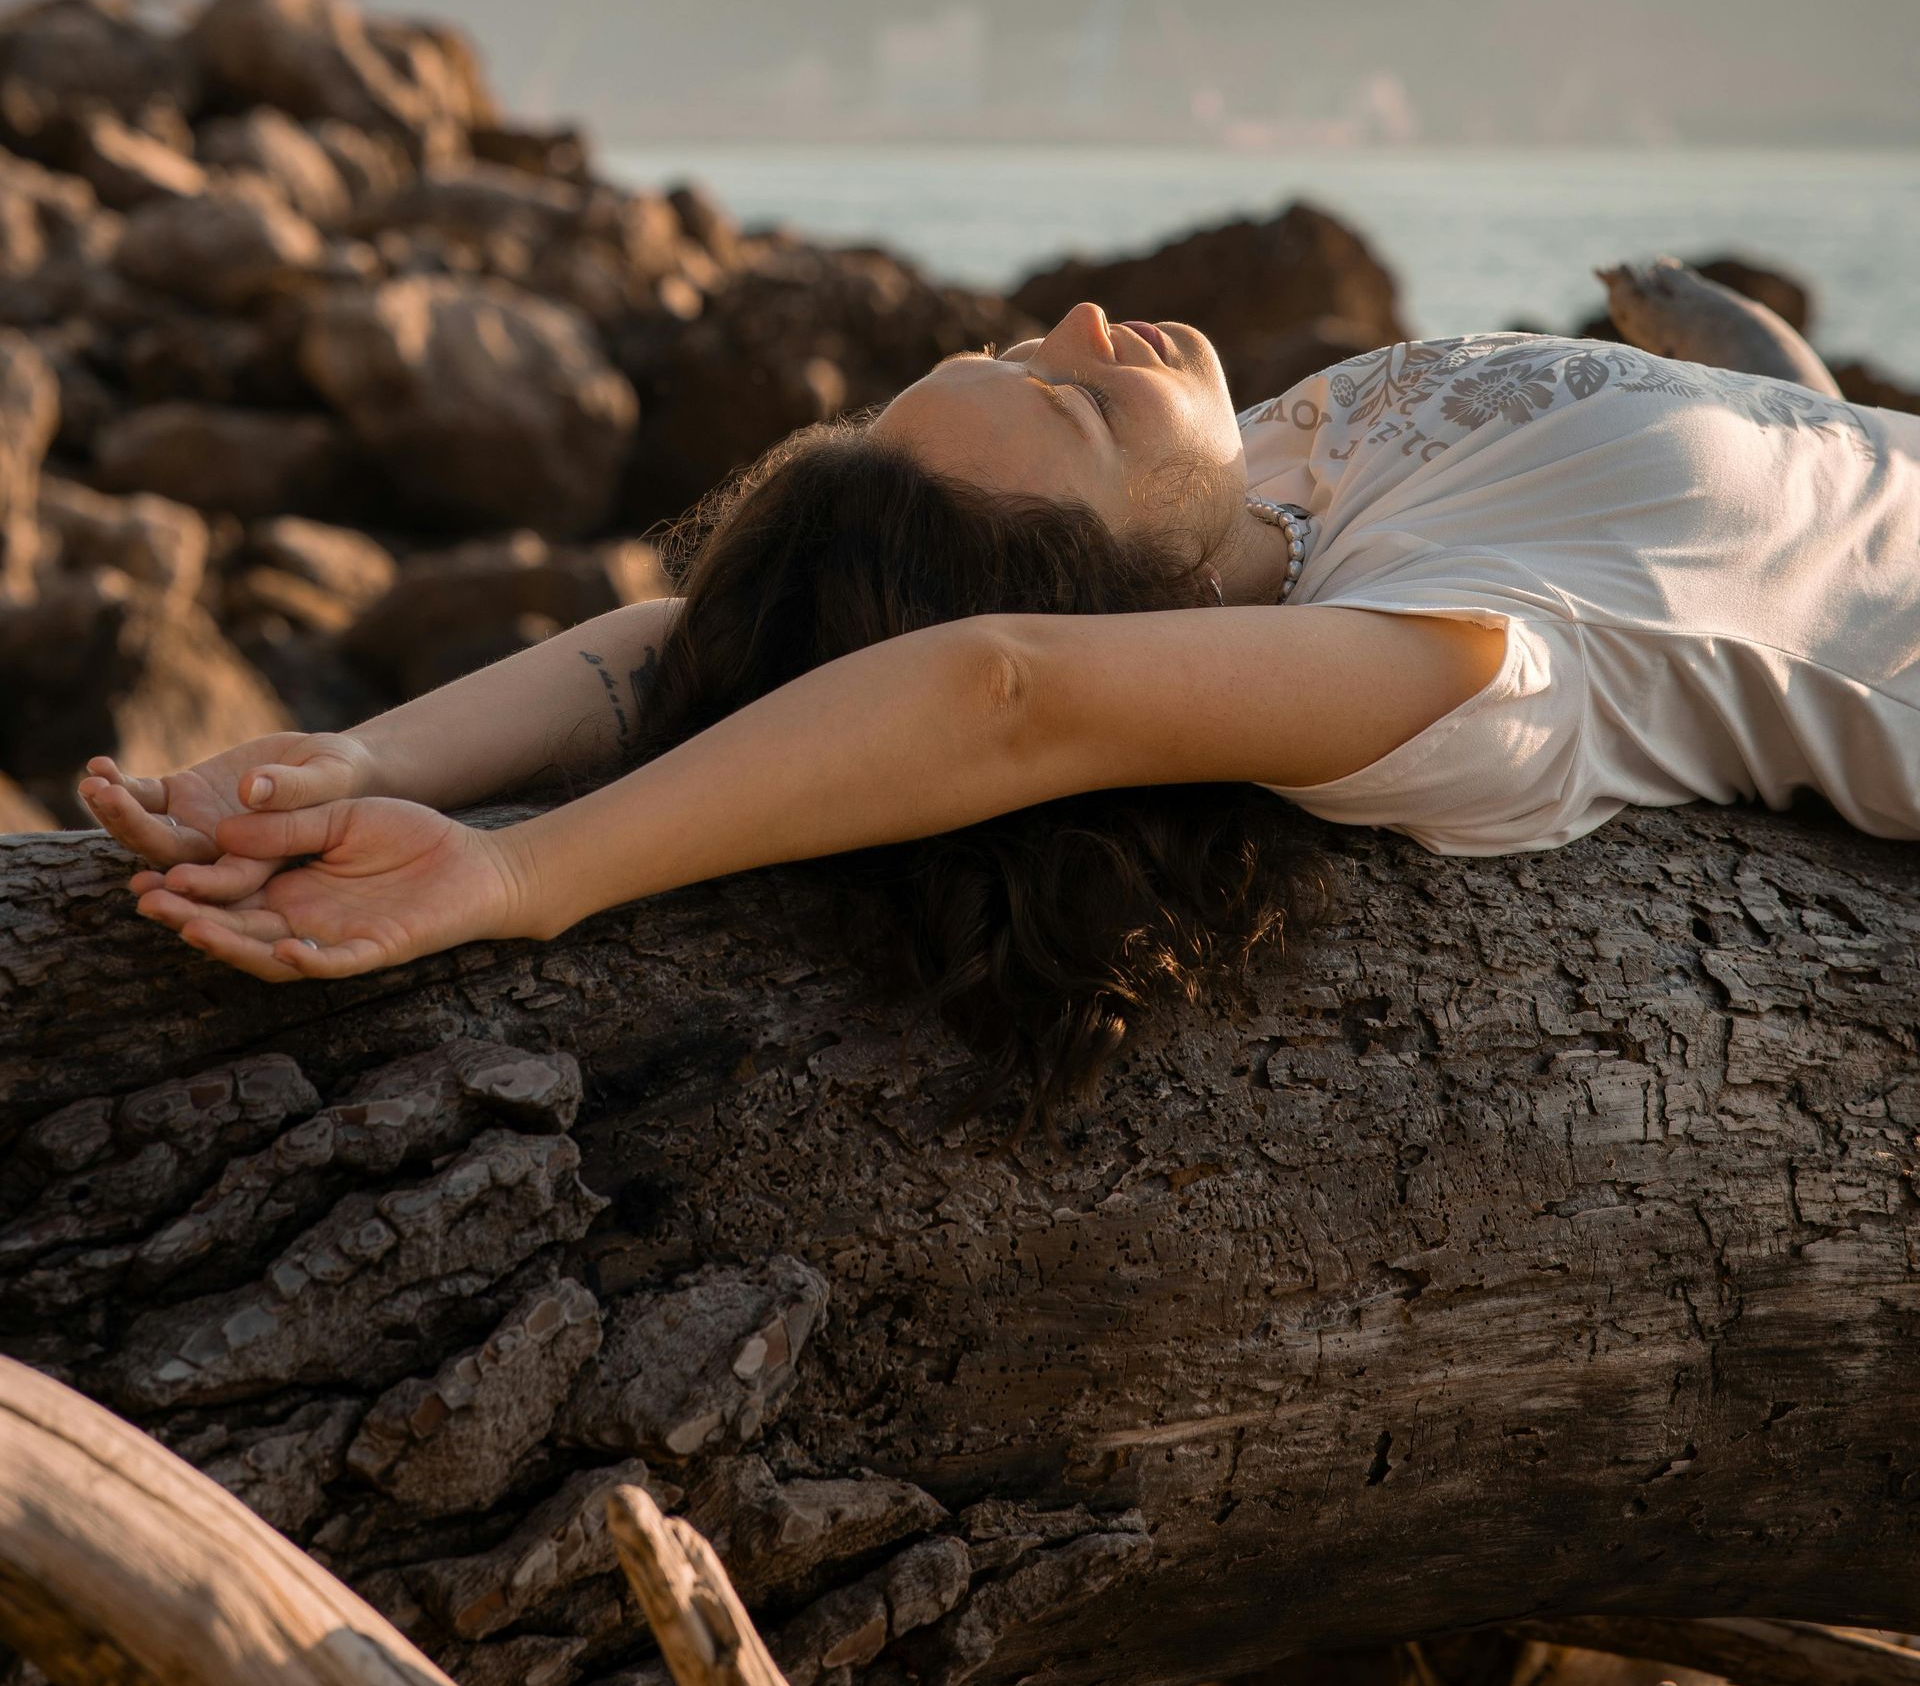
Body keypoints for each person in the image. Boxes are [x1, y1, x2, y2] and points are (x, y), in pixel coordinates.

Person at [81, 261, 1920, 1116]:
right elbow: (999, 691)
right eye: (1067, 399)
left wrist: (348, 757)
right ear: (1122, 598)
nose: (1089, 325)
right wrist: (515, 870)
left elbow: (688, 648)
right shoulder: (1442, 666)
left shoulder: (1261, 486)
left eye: (1020, 351)